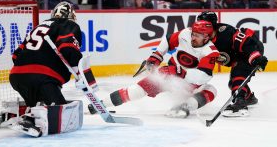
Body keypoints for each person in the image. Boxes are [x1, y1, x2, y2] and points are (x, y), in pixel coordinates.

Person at [89, 20, 220, 118]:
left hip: (187, 85)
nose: (192, 37)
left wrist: (181, 72)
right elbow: (168, 41)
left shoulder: (210, 52)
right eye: (193, 34)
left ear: (207, 37)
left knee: (211, 90)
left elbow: (204, 76)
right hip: (169, 74)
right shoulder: (185, 33)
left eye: (197, 36)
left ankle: (185, 106)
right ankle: (101, 104)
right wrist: (155, 57)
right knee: (138, 89)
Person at [0, 2, 84, 137]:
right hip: (43, 78)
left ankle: (10, 116)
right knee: (60, 113)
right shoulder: (69, 24)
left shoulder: (39, 27)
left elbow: (16, 55)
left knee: (37, 103)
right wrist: (79, 72)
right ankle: (30, 120)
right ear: (71, 16)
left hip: (17, 76)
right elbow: (68, 46)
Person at [197, 11, 268, 117]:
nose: (199, 28)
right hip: (236, 55)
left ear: (212, 25)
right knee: (233, 83)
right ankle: (248, 97)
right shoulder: (200, 38)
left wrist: (256, 57)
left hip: (250, 48)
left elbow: (246, 44)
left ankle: (240, 102)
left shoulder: (225, 33)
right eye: (198, 24)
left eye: (203, 24)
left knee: (238, 73)